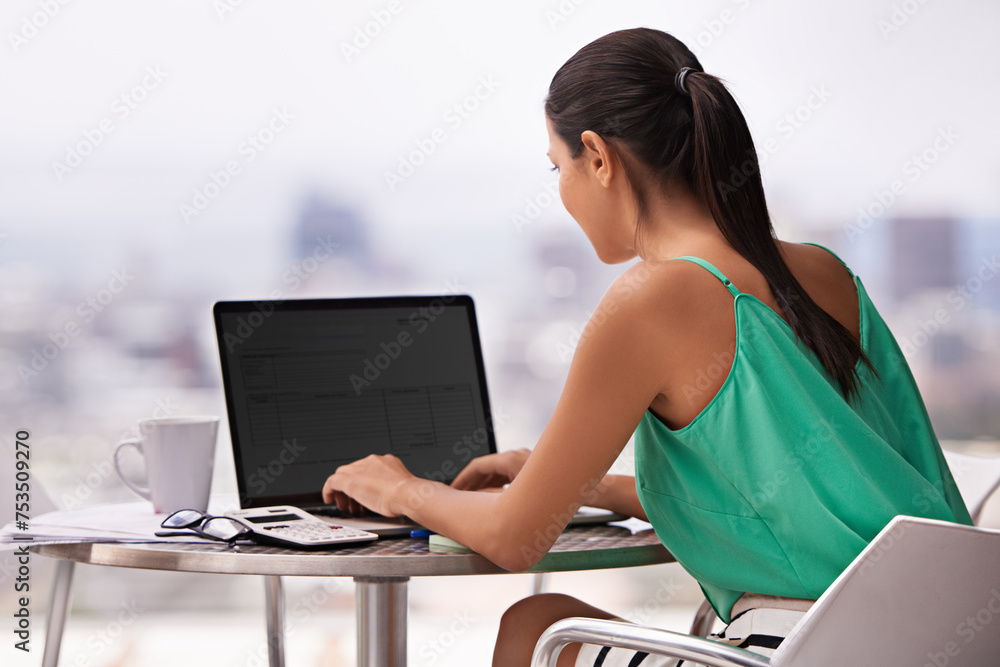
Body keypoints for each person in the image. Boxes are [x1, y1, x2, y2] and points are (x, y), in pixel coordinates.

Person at [322, 27, 972, 666]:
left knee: (535, 626)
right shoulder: (824, 271)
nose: (562, 193)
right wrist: (565, 476)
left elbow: (514, 537)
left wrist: (399, 486)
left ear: (598, 157)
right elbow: (795, 488)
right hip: (937, 638)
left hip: (803, 646)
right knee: (545, 620)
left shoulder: (651, 298)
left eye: (558, 166)